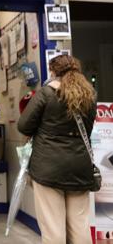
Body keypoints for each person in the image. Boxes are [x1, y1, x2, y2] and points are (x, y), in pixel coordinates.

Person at [18, 54, 96, 244]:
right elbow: (88, 129)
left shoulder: (46, 93)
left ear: (53, 71)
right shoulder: (89, 95)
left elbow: (24, 126)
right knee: (80, 227)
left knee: (54, 230)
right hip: (80, 166)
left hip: (49, 167)